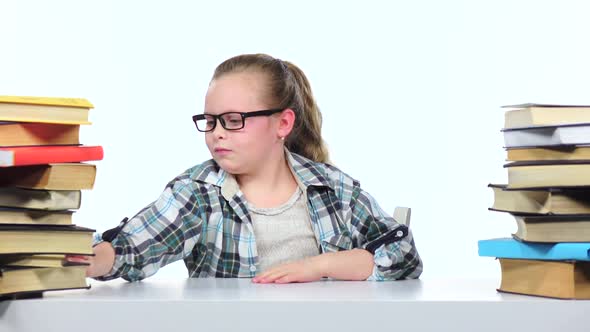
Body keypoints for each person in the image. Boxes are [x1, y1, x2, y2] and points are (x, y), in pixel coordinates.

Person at [66, 53, 422, 283]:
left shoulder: (334, 190)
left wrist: (321, 266)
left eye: (234, 120)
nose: (218, 133)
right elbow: (134, 247)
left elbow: (403, 256)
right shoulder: (198, 191)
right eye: (210, 121)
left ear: (283, 124)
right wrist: (88, 259)